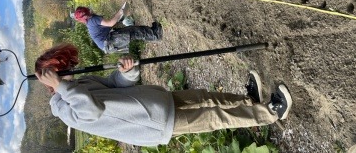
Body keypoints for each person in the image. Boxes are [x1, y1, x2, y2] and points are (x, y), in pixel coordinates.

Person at [35, 43, 293, 147]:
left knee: (206, 97)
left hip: (157, 99)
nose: (71, 69)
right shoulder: (61, 107)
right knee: (214, 117)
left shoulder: (80, 82)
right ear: (51, 78)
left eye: (68, 65)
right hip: (155, 122)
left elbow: (114, 84)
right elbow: (91, 111)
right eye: (63, 68)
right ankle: (269, 114)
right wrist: (62, 87)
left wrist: (127, 73)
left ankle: (248, 101)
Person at [73, 5, 162, 53]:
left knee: (133, 31)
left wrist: (119, 17)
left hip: (107, 44)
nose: (89, 10)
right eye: (86, 11)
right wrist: (119, 13)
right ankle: (156, 35)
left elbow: (108, 25)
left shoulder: (89, 21)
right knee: (133, 32)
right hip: (109, 42)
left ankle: (153, 32)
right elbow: (110, 23)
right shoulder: (92, 19)